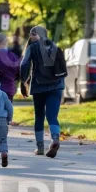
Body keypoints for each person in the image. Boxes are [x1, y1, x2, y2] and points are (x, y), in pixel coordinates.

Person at [20, 26, 65, 158]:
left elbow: (24, 64)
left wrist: (23, 81)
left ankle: (40, 147)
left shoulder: (32, 48)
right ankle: (55, 139)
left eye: (31, 34)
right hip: (56, 86)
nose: (30, 36)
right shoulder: (55, 46)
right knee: (52, 116)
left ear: (35, 35)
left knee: (39, 116)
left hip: (39, 86)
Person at [0, 33, 20, 102]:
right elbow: (19, 73)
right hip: (10, 89)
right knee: (7, 111)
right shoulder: (15, 57)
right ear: (6, 43)